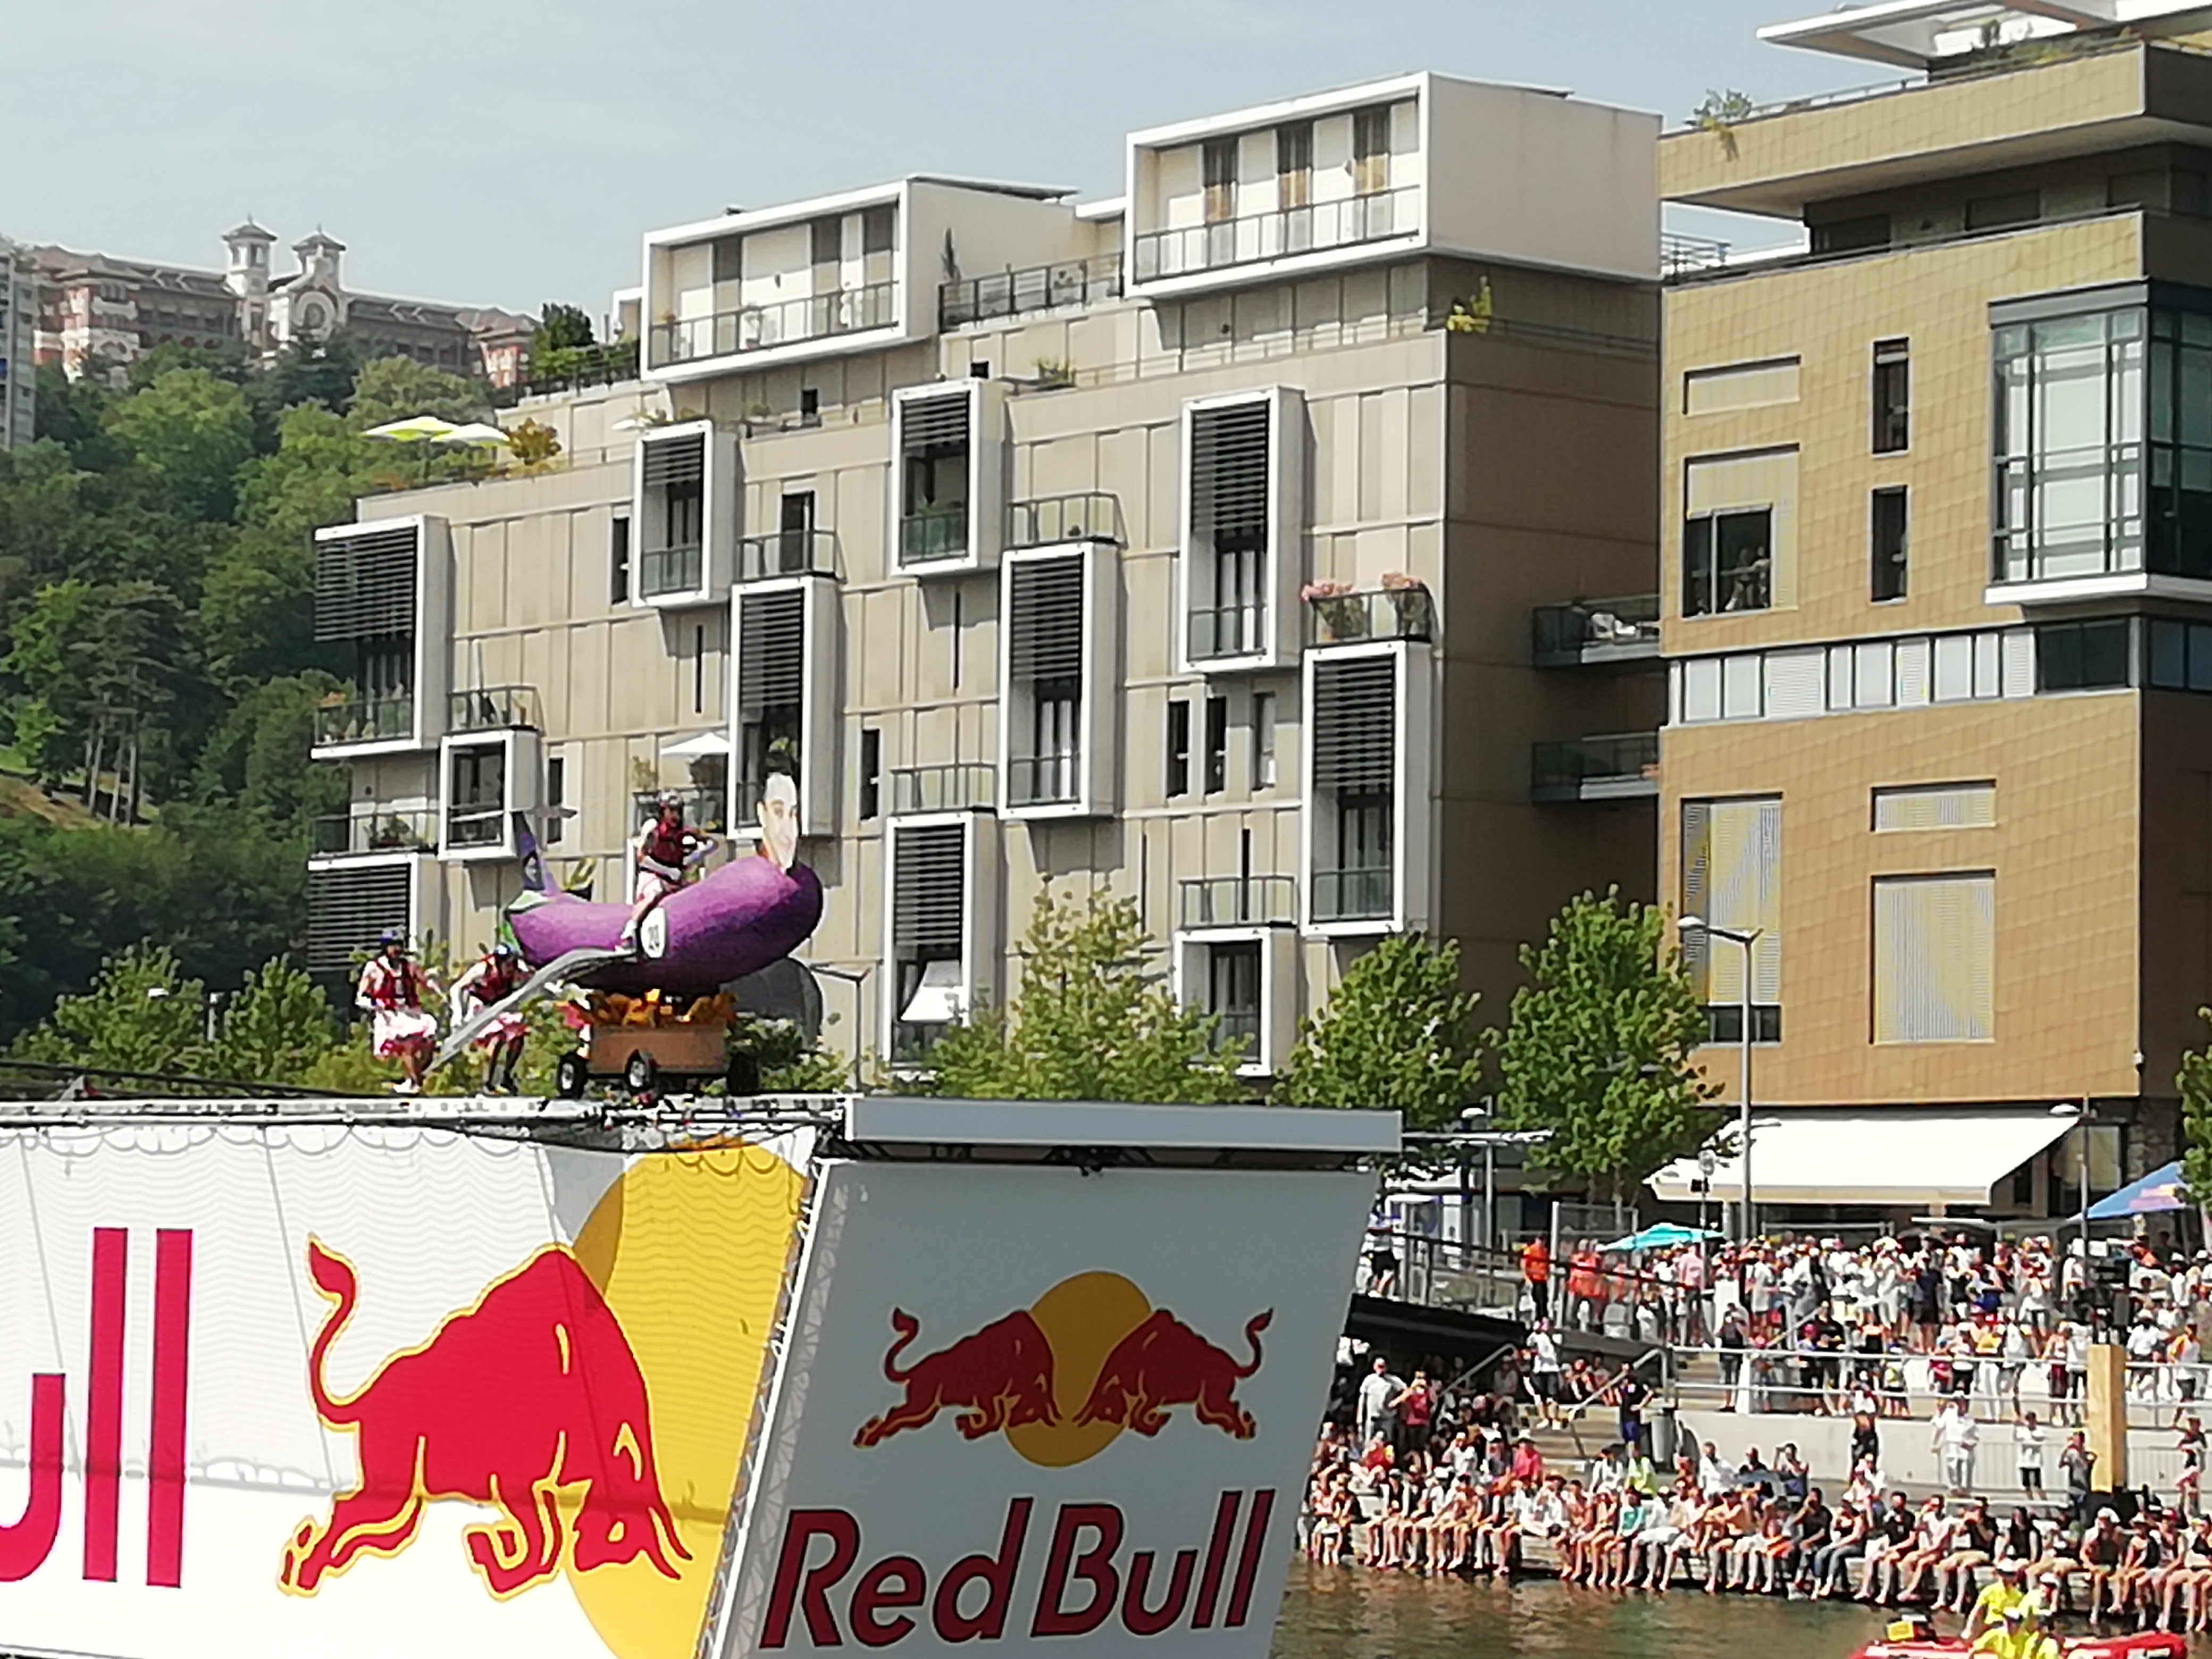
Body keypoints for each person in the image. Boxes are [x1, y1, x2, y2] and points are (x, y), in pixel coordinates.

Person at [620, 793, 717, 953]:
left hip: (673, 880)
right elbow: (642, 858)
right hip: (652, 876)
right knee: (655, 892)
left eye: (678, 811)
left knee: (693, 895)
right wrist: (668, 871)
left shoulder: (684, 834)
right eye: (671, 811)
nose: (675, 816)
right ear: (662, 811)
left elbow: (711, 844)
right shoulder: (654, 829)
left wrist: (697, 854)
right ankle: (629, 932)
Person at [356, 930, 437, 1094]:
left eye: (399, 945)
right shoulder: (375, 968)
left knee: (428, 1043)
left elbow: (424, 981)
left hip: (410, 1013)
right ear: (385, 948)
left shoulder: (409, 966)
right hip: (389, 1016)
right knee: (408, 1046)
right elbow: (362, 995)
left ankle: (414, 1078)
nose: (397, 949)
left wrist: (431, 982)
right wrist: (372, 1004)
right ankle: (415, 1082)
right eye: (393, 946)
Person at [449, 942, 526, 1093]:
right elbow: (456, 988)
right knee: (496, 1039)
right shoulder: (483, 969)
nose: (509, 967)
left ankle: (506, 1077)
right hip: (482, 1007)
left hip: (501, 1006)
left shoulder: (518, 968)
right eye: (506, 963)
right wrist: (458, 1014)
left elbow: (534, 979)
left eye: (512, 962)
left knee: (518, 1037)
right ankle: (488, 1082)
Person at [1357, 1356, 1401, 1450]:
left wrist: (1397, 1401)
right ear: (1374, 1367)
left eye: (1383, 1367)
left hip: (1387, 1418)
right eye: (1379, 1366)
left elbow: (1408, 1391)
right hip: (1372, 1418)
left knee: (1387, 1444)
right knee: (1368, 1443)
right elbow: (1362, 1398)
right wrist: (1359, 1416)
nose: (1381, 1369)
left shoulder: (1393, 1380)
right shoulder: (1369, 1380)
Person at [2016, 1410, 2048, 1499]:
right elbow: (2017, 1438)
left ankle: (2044, 1501)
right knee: (2026, 1484)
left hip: (2035, 1460)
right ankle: (2030, 1501)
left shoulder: (2039, 1431)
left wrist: (2032, 1434)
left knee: (2038, 1484)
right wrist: (2017, 1426)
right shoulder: (2022, 1431)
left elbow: (2040, 1438)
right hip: (2025, 1460)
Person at [1521, 1234, 1552, 1322]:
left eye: (1543, 1241)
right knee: (1537, 1299)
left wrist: (1548, 1274)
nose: (1542, 1243)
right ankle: (1538, 1318)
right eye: (1540, 1240)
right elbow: (1524, 1265)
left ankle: (1543, 1317)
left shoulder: (1545, 1251)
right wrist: (1527, 1278)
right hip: (1533, 1278)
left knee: (1544, 1299)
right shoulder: (1530, 1250)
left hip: (1542, 1279)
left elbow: (1547, 1264)